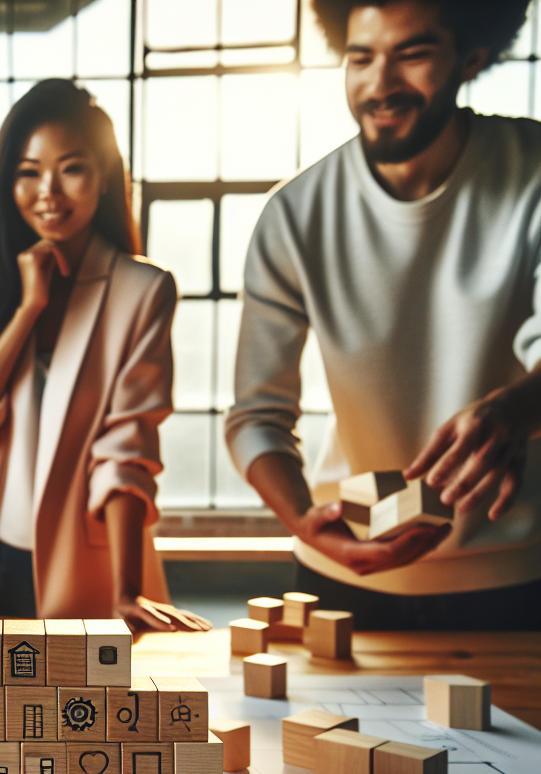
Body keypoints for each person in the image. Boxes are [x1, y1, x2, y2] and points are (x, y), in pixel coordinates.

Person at [226, 0, 541, 630]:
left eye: (413, 54)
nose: (381, 84)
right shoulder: (295, 214)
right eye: (361, 57)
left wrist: (516, 408)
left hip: (518, 576)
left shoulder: (532, 172)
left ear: (471, 58)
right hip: (340, 577)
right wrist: (305, 524)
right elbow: (256, 418)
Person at [0, 80, 209, 633]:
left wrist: (127, 589)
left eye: (71, 168)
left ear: (103, 177)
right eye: (28, 171)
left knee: (71, 715)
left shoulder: (143, 290)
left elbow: (126, 447)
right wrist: (28, 310)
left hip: (84, 562)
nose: (48, 192)